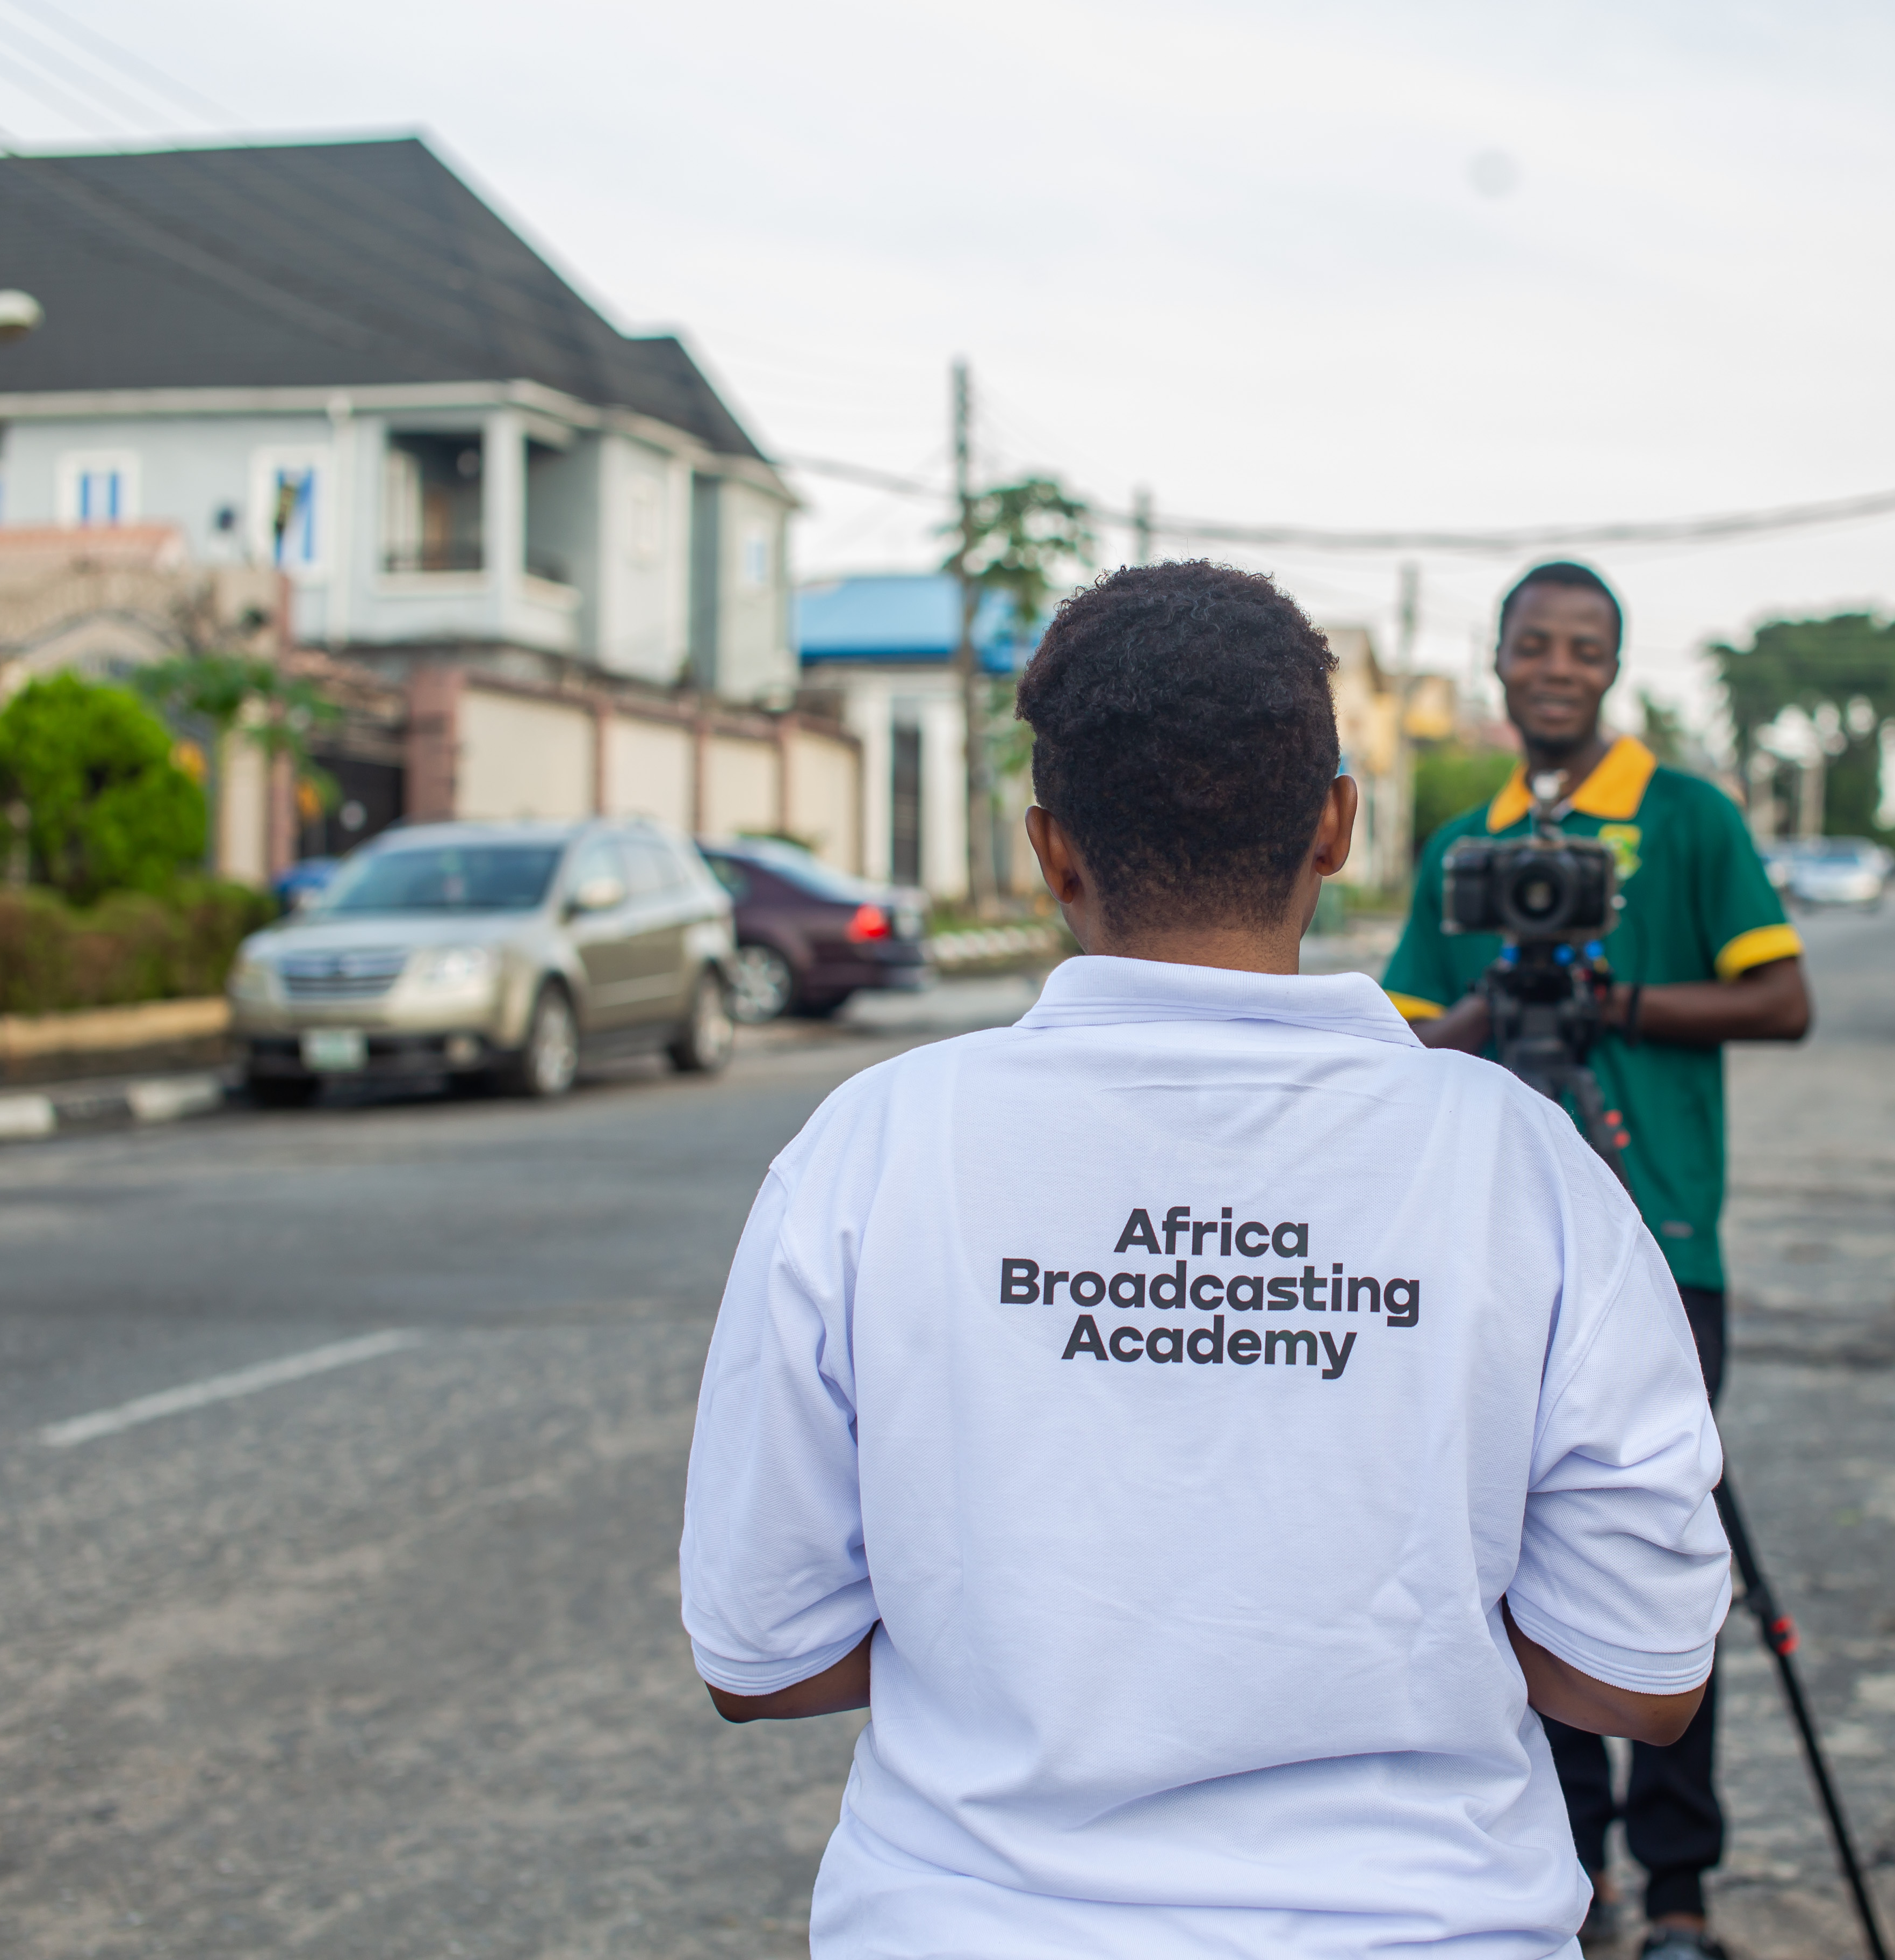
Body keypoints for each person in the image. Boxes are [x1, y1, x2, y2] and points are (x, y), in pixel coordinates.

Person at [679, 559, 1733, 1959]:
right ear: (1339, 829)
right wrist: (1364, 1653)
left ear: (1054, 853)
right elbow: (1643, 1679)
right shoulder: (1526, 1168)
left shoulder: (875, 1149)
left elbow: (765, 1661)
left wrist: (1040, 1638)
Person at [1382, 560, 1812, 1959]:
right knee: (1513, 1576)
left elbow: (1782, 998)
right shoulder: (1467, 844)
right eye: (1532, 646)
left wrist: (1612, 1001)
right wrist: (1500, 1008)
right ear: (1499, 663)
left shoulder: (1685, 818)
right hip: (1487, 1253)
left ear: (1612, 668)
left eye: (1583, 649)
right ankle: (1574, 1874)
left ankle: (1680, 1890)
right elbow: (1395, 1039)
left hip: (1664, 1236)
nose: (1555, 668)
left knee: (1662, 1564)